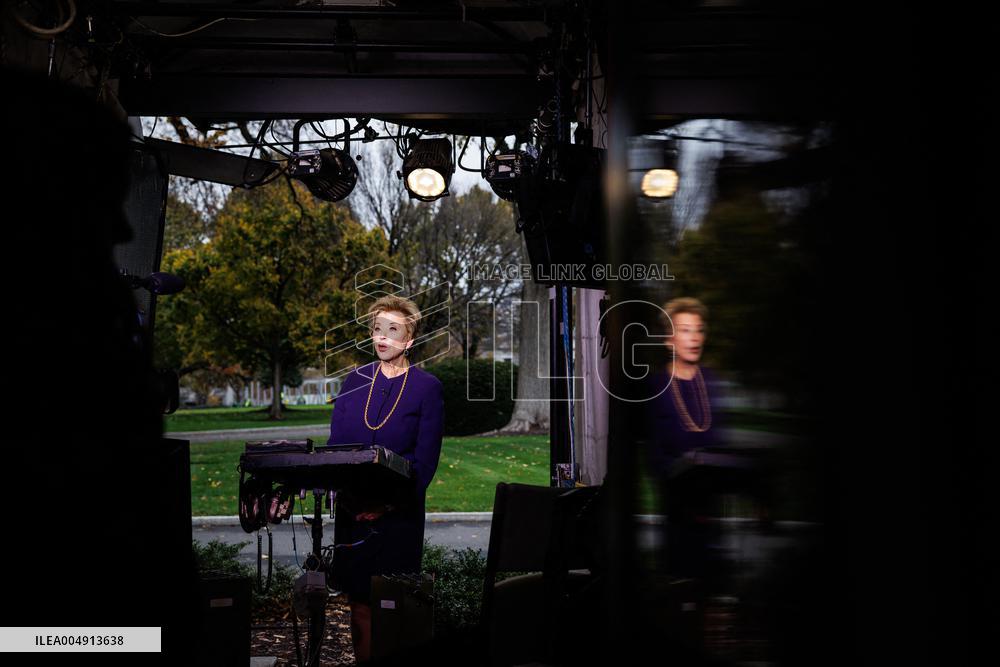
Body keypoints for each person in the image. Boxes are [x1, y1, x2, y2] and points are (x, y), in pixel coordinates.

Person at [327, 294, 445, 665]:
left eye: (393, 331)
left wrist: (387, 505)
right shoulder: (355, 381)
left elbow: (425, 462)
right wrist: (347, 499)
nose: (382, 338)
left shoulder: (427, 387)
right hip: (353, 514)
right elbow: (335, 447)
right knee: (358, 602)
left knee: (392, 604)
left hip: (398, 516)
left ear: (409, 340)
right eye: (378, 329)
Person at [644, 297, 726, 580]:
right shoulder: (655, 387)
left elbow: (722, 443)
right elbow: (654, 457)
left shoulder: (712, 381)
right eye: (685, 330)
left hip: (714, 513)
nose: (694, 338)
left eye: (699, 330)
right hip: (677, 513)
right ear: (669, 339)